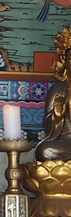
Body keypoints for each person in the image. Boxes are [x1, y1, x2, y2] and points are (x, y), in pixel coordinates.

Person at [37, 28, 71, 162]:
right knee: (44, 151)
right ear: (64, 62)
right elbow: (48, 129)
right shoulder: (57, 89)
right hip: (65, 143)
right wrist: (57, 117)